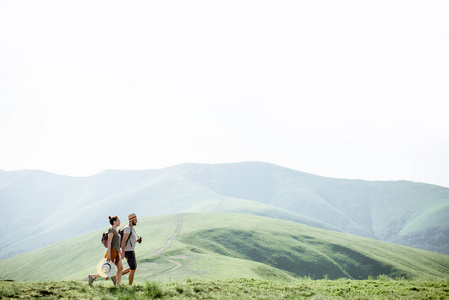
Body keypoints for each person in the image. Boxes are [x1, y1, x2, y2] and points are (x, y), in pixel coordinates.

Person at [88, 216, 123, 286]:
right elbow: (109, 243)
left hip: (116, 252)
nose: (120, 222)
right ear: (114, 222)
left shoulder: (116, 231)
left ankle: (118, 284)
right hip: (112, 251)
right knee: (108, 270)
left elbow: (117, 244)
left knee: (120, 268)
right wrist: (109, 254)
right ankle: (93, 276)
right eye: (118, 220)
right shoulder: (111, 230)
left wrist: (120, 253)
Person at [120, 213, 142, 285]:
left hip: (130, 250)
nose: (136, 221)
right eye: (135, 220)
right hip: (128, 251)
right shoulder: (127, 228)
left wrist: (137, 240)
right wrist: (123, 252)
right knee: (133, 268)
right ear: (131, 220)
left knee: (132, 267)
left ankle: (117, 275)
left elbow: (129, 241)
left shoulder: (131, 228)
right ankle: (130, 285)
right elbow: (124, 241)